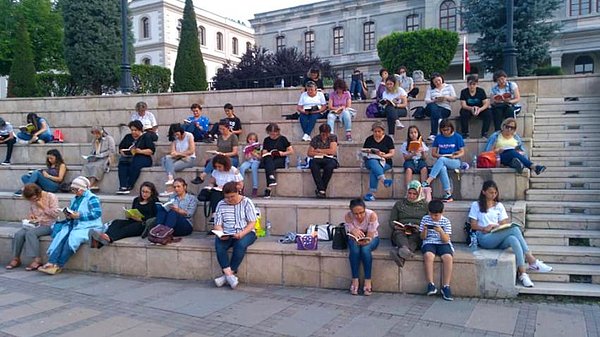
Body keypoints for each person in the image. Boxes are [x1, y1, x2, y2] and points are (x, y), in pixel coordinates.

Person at [468, 180, 553, 288]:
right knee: (514, 230)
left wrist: (494, 226)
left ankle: (523, 274)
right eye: (491, 192)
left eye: (495, 192)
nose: (493, 195)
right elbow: (473, 225)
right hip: (484, 237)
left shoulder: (499, 206)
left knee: (513, 238)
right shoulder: (476, 205)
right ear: (483, 192)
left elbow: (503, 224)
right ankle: (531, 260)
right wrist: (484, 227)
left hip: (497, 235)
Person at [39, 176, 103, 275]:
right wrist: (69, 215)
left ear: (82, 189)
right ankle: (51, 262)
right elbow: (73, 212)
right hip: (74, 224)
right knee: (61, 238)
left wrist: (79, 215)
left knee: (71, 241)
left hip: (88, 226)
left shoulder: (92, 198)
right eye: (73, 189)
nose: (73, 191)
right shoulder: (75, 198)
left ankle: (58, 265)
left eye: (75, 189)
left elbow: (97, 213)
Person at [213, 181, 258, 289]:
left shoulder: (247, 202)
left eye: (232, 196)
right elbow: (217, 224)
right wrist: (221, 233)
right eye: (227, 197)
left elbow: (252, 222)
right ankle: (230, 275)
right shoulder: (221, 204)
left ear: (238, 192)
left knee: (240, 244)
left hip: (245, 232)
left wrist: (241, 233)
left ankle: (226, 276)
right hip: (228, 232)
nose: (230, 199)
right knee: (219, 245)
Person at [5, 184, 60, 271]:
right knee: (19, 234)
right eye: (31, 200)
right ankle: (16, 258)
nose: (33, 200)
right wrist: (32, 217)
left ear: (39, 193)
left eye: (34, 198)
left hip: (49, 224)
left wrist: (42, 206)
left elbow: (55, 214)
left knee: (31, 233)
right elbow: (32, 212)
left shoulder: (51, 196)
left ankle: (37, 260)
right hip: (36, 224)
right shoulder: (32, 199)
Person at [89, 182, 159, 248]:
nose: (144, 194)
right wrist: (130, 215)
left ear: (152, 192)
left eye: (147, 192)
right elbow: (133, 211)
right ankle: (105, 236)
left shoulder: (154, 201)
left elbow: (155, 217)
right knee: (116, 222)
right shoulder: (136, 200)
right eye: (143, 191)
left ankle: (108, 239)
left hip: (143, 224)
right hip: (133, 220)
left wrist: (141, 219)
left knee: (127, 229)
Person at [421, 119, 464, 203]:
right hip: (442, 160)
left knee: (442, 160)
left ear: (451, 129)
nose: (445, 132)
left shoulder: (457, 137)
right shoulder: (438, 138)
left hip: (454, 161)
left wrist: (454, 155)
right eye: (443, 130)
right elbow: (433, 153)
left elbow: (462, 152)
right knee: (442, 168)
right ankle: (448, 193)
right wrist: (440, 155)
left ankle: (428, 181)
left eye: (447, 130)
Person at [389, 181, 428, 268]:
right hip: (401, 231)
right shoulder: (399, 204)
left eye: (414, 194)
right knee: (398, 234)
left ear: (419, 193)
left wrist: (419, 228)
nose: (411, 196)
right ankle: (406, 250)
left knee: (415, 237)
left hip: (417, 231)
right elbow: (392, 221)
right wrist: (397, 226)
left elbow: (429, 222)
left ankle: (401, 254)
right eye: (409, 193)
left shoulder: (425, 205)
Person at [344, 198, 380, 296]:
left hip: (371, 237)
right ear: (351, 212)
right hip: (355, 238)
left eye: (361, 213)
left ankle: (368, 280)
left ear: (365, 209)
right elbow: (350, 231)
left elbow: (370, 236)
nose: (359, 216)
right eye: (356, 214)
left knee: (365, 250)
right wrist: (353, 230)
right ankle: (355, 280)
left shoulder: (372, 215)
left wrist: (365, 240)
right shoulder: (348, 216)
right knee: (354, 250)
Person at [420, 199, 454, 301]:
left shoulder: (446, 221)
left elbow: (446, 239)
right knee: (428, 256)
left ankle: (446, 286)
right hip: (429, 242)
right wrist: (425, 230)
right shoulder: (425, 219)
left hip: (443, 242)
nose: (434, 217)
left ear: (442, 213)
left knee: (448, 258)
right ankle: (431, 284)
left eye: (436, 215)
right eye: (432, 215)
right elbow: (422, 237)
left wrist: (441, 231)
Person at [116, 120, 156, 194]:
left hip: (143, 157)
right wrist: (122, 151)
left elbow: (151, 151)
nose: (133, 132)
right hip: (129, 157)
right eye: (132, 130)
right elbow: (121, 148)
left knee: (135, 163)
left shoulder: (145, 137)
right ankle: (123, 186)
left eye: (135, 130)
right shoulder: (128, 137)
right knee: (122, 164)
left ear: (140, 129)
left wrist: (140, 151)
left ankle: (129, 185)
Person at [194, 120, 239, 184]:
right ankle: (203, 176)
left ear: (228, 128)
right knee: (214, 160)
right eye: (220, 129)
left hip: (232, 158)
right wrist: (215, 152)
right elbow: (219, 149)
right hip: (221, 157)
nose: (221, 131)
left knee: (218, 161)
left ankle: (205, 178)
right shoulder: (220, 137)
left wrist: (224, 154)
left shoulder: (233, 137)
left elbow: (235, 152)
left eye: (223, 129)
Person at [362, 122, 395, 201]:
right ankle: (384, 180)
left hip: (385, 161)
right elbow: (364, 151)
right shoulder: (369, 139)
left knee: (374, 170)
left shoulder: (388, 139)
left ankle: (371, 194)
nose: (377, 133)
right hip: (370, 160)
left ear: (383, 131)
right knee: (373, 162)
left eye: (379, 131)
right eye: (375, 131)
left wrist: (382, 156)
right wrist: (370, 151)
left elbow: (392, 153)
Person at [260, 123, 294, 199]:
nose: (273, 135)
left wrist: (283, 153)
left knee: (269, 165)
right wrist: (267, 153)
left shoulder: (283, 139)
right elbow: (264, 152)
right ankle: (270, 181)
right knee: (268, 161)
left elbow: (291, 151)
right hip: (269, 158)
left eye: (274, 133)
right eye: (271, 133)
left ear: (277, 131)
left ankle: (269, 187)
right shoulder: (267, 140)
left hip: (280, 158)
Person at [161, 124, 196, 194]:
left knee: (169, 166)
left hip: (189, 158)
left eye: (177, 134)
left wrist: (179, 154)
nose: (176, 136)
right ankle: (171, 179)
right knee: (165, 159)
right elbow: (173, 151)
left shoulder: (189, 136)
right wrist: (175, 154)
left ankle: (170, 188)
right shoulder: (175, 139)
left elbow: (191, 151)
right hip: (178, 157)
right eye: (174, 135)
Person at [307, 123, 338, 198]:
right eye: (323, 134)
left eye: (327, 134)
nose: (325, 136)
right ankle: (322, 189)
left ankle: (321, 189)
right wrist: (323, 152)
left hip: (330, 158)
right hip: (318, 158)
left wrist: (320, 150)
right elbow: (309, 153)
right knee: (313, 165)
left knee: (329, 167)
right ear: (320, 133)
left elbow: (333, 151)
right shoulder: (315, 139)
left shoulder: (333, 137)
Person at [81, 126, 116, 191]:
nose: (95, 135)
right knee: (86, 166)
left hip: (106, 158)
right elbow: (93, 150)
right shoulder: (94, 140)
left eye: (97, 133)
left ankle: (91, 185)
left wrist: (101, 155)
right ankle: (85, 184)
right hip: (96, 158)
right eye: (94, 134)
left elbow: (112, 151)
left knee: (96, 166)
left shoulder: (109, 139)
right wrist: (91, 156)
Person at [424, 73, 457, 141]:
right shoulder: (430, 89)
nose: (438, 82)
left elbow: (454, 98)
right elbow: (426, 100)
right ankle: (440, 120)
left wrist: (445, 98)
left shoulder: (449, 86)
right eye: (436, 82)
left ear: (442, 79)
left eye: (439, 80)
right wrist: (434, 100)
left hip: (445, 108)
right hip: (432, 107)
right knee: (433, 107)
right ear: (433, 83)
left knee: (435, 113)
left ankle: (433, 134)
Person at [239, 133, 262, 198]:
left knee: (254, 168)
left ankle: (255, 188)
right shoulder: (246, 147)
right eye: (250, 139)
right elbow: (246, 157)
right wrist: (248, 156)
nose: (252, 141)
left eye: (254, 139)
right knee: (242, 167)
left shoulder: (258, 146)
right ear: (248, 140)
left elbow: (260, 157)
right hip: (249, 161)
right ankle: (241, 187)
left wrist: (255, 154)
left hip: (256, 161)